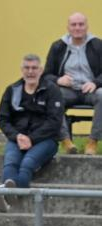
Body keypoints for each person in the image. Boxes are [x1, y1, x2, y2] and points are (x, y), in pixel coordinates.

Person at [0, 54, 63, 212]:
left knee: (27, 164)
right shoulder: (12, 90)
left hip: (45, 140)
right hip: (17, 139)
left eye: (34, 68)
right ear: (21, 70)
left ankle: (6, 195)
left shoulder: (52, 90)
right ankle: (10, 192)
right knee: (10, 163)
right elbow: (3, 119)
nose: (30, 72)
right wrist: (17, 136)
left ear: (40, 70)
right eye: (27, 68)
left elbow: (55, 122)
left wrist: (32, 139)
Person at [44, 12, 102, 155]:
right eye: (74, 25)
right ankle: (66, 140)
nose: (77, 28)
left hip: (91, 91)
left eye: (81, 24)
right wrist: (58, 80)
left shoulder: (97, 45)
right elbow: (46, 75)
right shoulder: (58, 46)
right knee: (52, 96)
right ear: (68, 27)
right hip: (67, 90)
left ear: (87, 26)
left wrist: (95, 83)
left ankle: (92, 142)